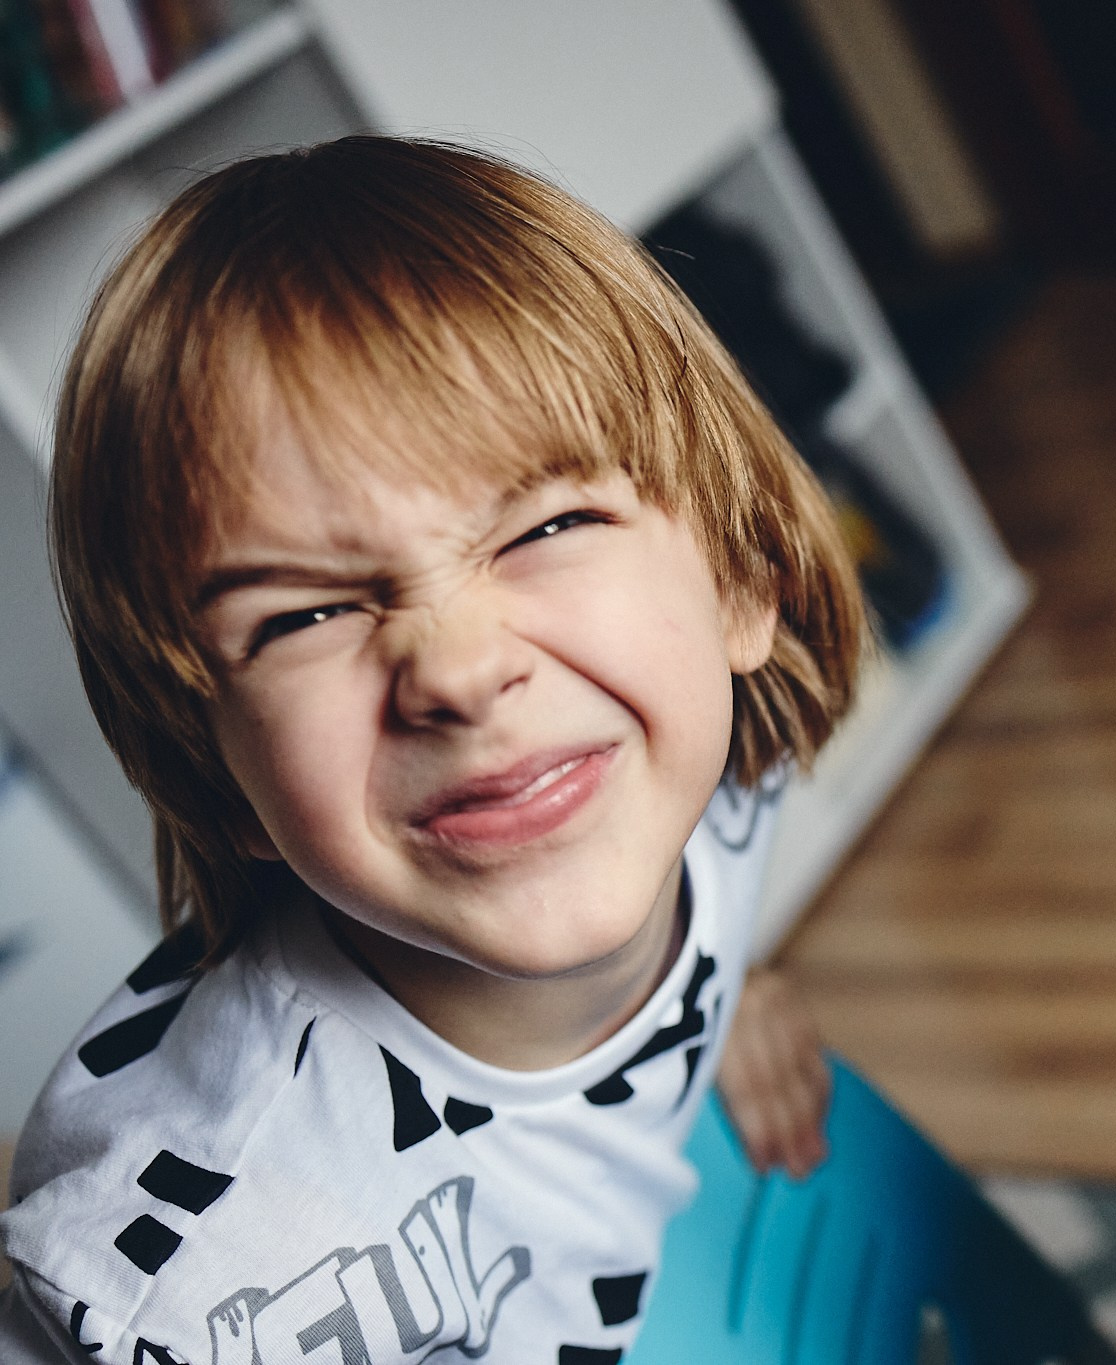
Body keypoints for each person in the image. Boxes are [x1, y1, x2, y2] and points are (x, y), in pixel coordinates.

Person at [0, 136, 859, 1362]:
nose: (455, 671)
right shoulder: (191, 1296)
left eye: (547, 526)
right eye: (302, 617)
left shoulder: (704, 795)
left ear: (740, 578)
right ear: (210, 771)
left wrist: (730, 992)